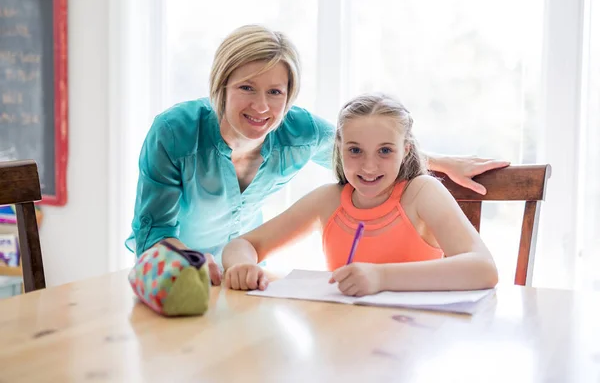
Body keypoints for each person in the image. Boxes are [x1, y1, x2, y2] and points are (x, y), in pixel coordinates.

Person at [127, 25, 507, 286]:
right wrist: (207, 264)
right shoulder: (175, 132)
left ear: (289, 95)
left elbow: (367, 146)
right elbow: (153, 234)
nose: (262, 106)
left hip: (241, 280)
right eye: (247, 87)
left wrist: (440, 162)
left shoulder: (300, 130)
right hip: (178, 273)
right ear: (220, 86)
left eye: (276, 92)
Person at [222, 93, 499, 295]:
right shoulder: (328, 200)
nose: (368, 166)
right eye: (355, 150)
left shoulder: (421, 193)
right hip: (344, 339)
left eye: (385, 151)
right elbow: (242, 245)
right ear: (339, 149)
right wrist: (242, 266)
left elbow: (483, 269)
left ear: (406, 151)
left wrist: (381, 277)